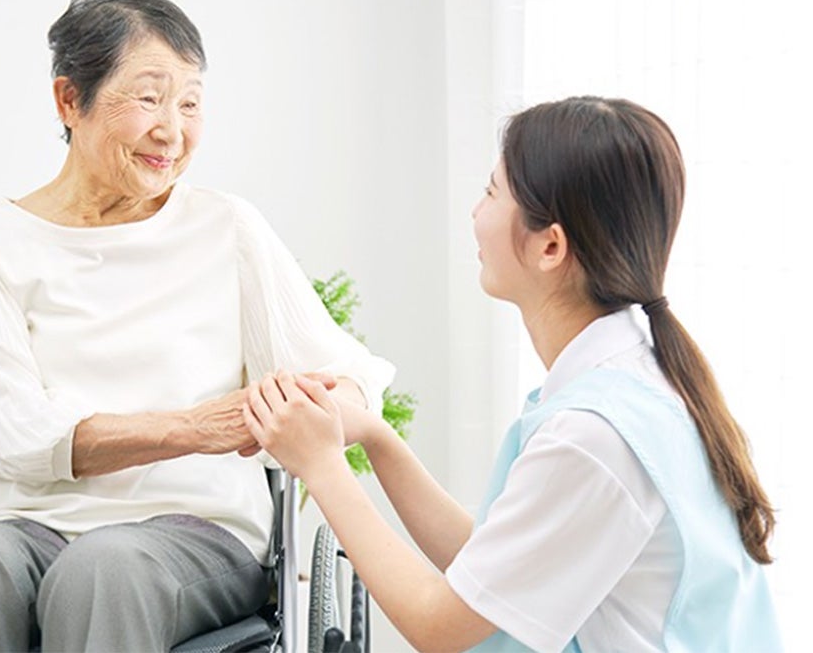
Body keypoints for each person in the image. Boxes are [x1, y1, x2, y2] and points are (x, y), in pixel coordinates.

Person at [0, 0, 395, 652]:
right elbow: (14, 437)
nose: (173, 129)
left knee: (103, 569)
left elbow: (347, 376)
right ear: (70, 100)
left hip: (190, 533)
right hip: (20, 525)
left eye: (190, 102)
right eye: (149, 97)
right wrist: (195, 426)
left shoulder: (228, 228)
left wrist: (313, 408)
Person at [246, 96, 781, 652]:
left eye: (490, 193)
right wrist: (377, 439)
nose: (475, 215)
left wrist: (322, 465)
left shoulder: (594, 437)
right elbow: (494, 574)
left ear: (550, 245)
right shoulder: (637, 378)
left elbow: (440, 625)